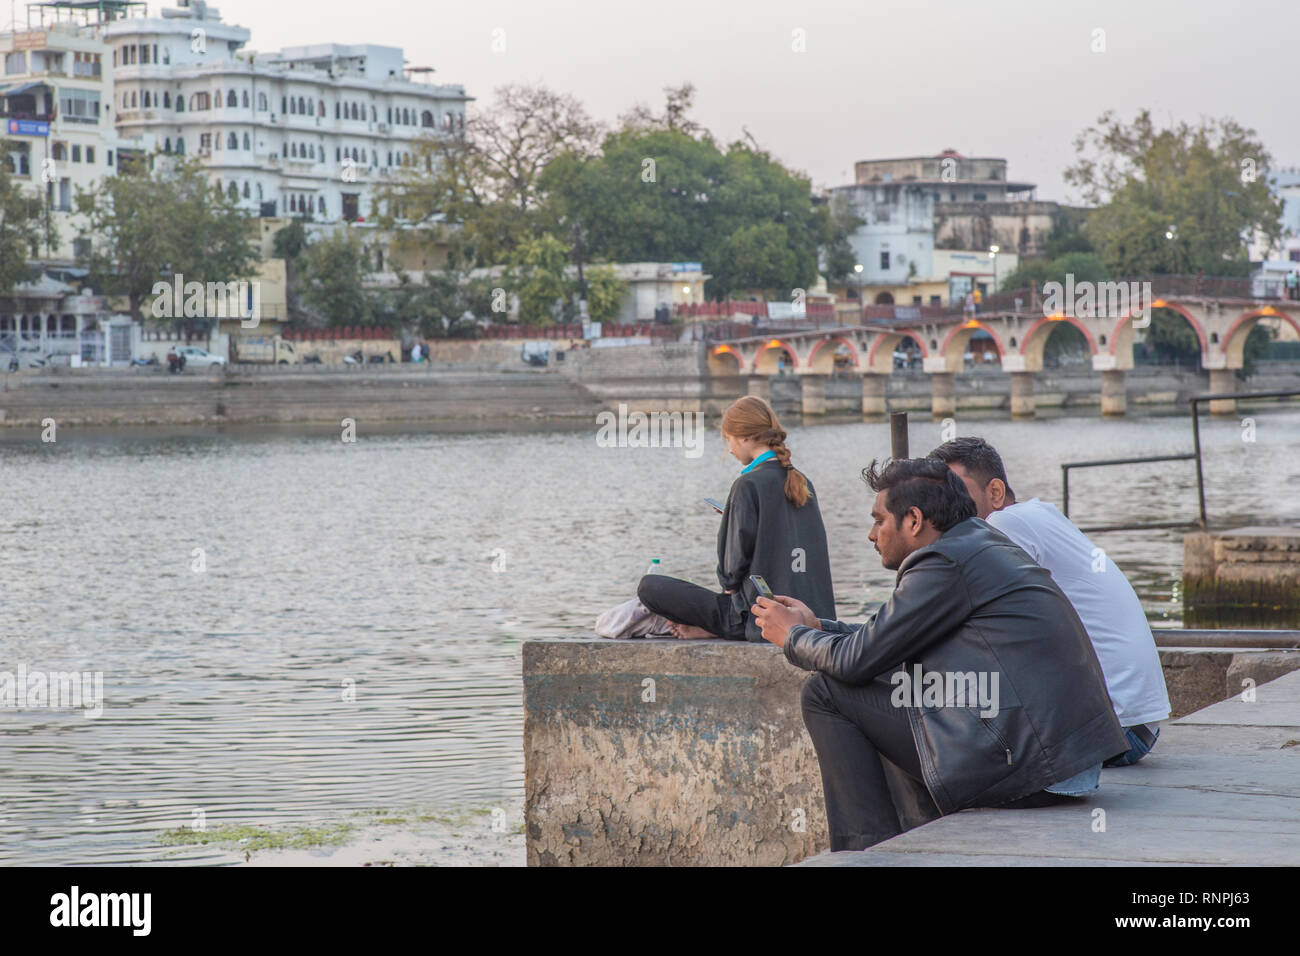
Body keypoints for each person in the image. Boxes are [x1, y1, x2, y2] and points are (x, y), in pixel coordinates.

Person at [751, 458, 1126, 851]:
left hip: (1035, 770)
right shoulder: (977, 544)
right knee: (895, 687)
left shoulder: (944, 562)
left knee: (826, 693)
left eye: (879, 520)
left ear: (913, 520)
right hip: (1065, 765)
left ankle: (864, 853)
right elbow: (882, 642)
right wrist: (817, 627)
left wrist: (792, 636)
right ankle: (915, 840)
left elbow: (856, 661)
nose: (871, 534)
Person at [929, 437, 1170, 766]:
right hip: (1136, 728)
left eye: (956, 493)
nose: (946, 507)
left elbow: (963, 613)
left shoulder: (1004, 523)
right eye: (938, 498)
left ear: (995, 493)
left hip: (1114, 733)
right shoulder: (1037, 515)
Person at [638, 396, 835, 641]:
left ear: (744, 437)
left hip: (758, 619)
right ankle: (712, 628)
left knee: (649, 587)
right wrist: (734, 517)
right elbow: (785, 536)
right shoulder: (803, 482)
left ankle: (717, 628)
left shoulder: (747, 484)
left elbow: (730, 575)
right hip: (813, 617)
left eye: (728, 440)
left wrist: (730, 525)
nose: (729, 449)